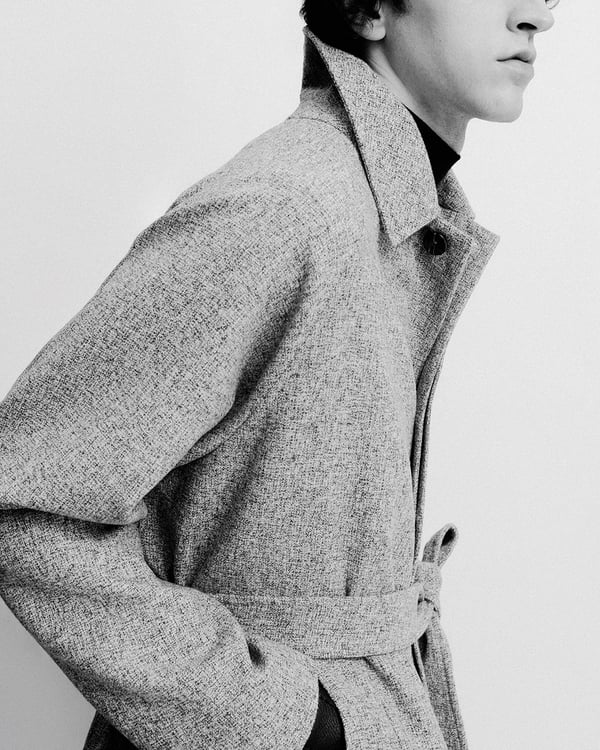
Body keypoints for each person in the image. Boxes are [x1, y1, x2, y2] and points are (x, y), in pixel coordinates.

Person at [0, 1, 557, 748]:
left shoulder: (380, 208)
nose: (537, 16)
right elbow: (23, 500)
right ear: (369, 7)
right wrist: (295, 723)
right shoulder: (283, 211)